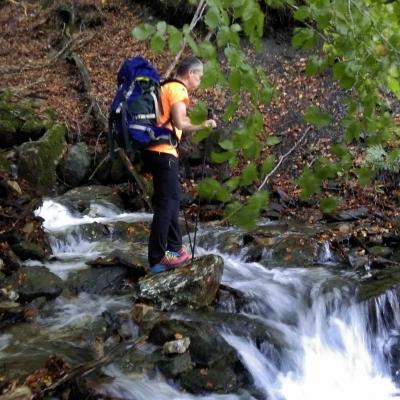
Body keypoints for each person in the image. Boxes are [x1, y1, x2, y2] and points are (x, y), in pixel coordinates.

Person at [141, 56, 217, 273]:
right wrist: (205, 124)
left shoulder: (165, 87)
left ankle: (175, 250)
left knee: (172, 199)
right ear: (190, 74)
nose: (199, 81)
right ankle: (157, 258)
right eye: (199, 76)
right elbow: (179, 122)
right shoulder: (178, 89)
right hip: (163, 153)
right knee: (167, 203)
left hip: (157, 151)